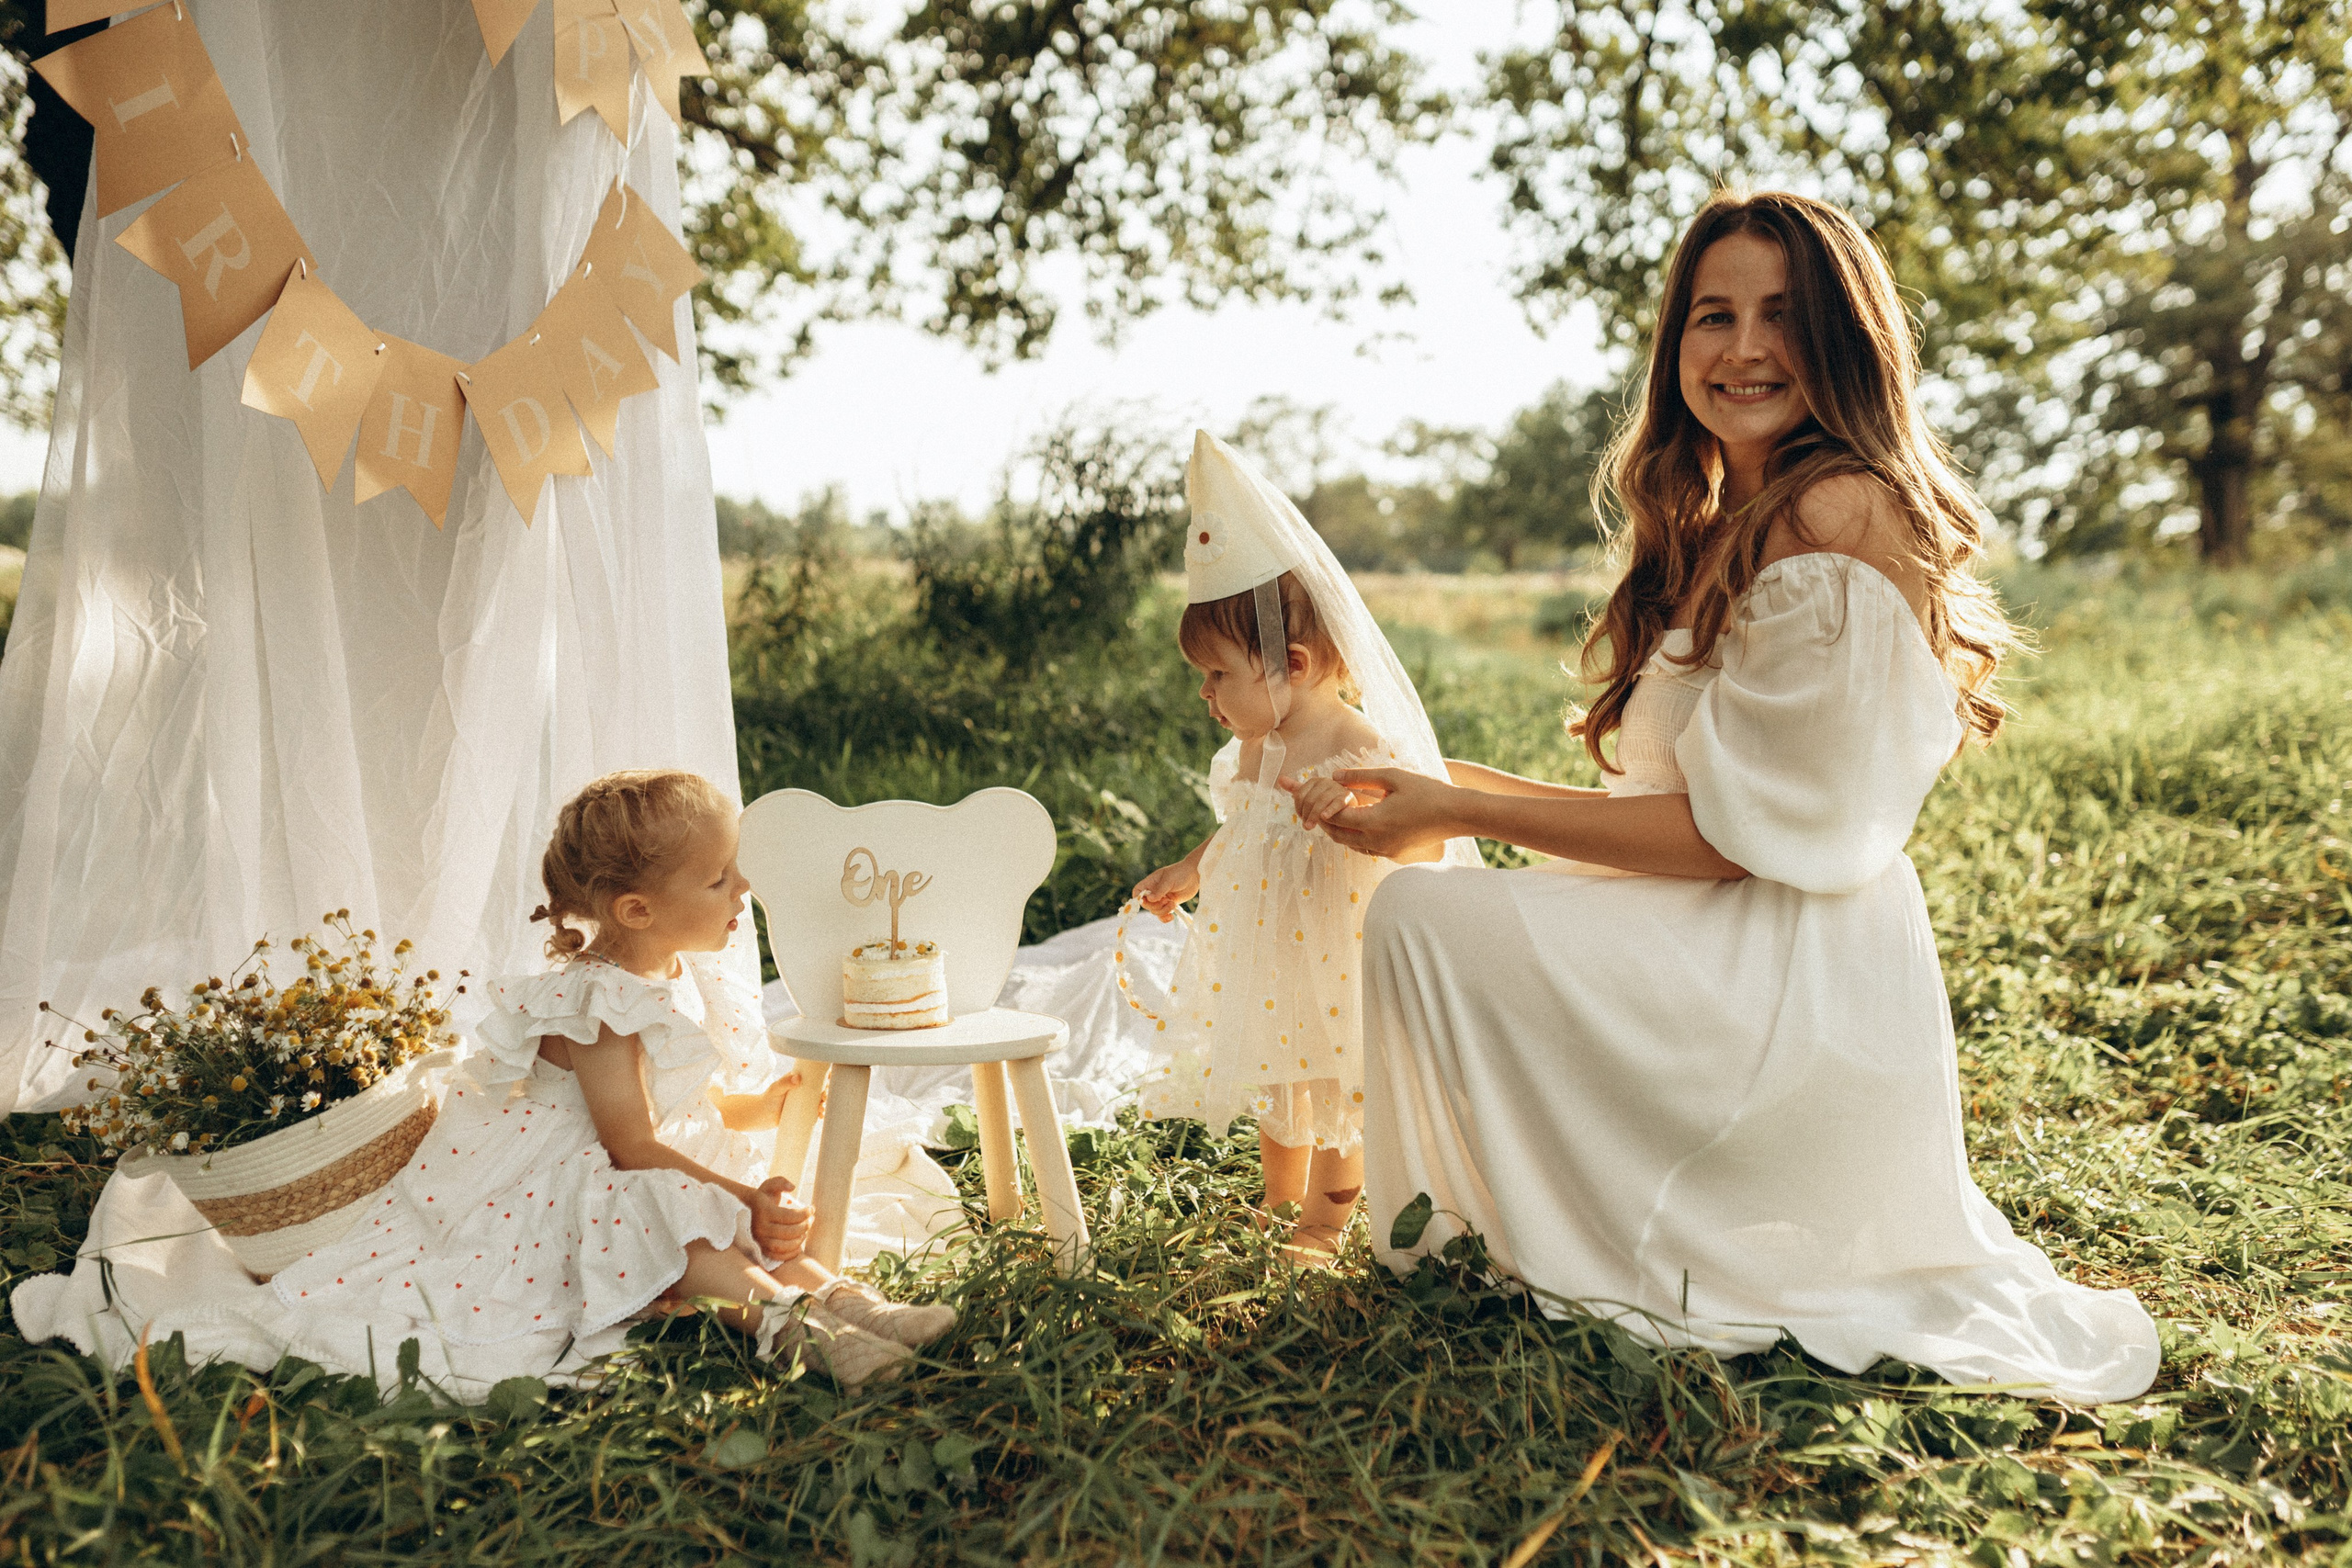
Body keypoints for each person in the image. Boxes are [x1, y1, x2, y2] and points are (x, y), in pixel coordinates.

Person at [1295, 192, 2159, 1402]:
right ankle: (1525, 1231)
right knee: (1439, 900)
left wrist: (1458, 813)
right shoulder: (1728, 518)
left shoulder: (1834, 511)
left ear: (1847, 340)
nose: (1743, 348)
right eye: (1714, 315)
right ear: (1676, 346)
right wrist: (1435, 786)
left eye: (1782, 315)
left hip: (1791, 986)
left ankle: (1510, 1247)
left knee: (1424, 917)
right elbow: (1689, 798)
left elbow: (1728, 841)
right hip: (1754, 939)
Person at [266, 770, 956, 1390]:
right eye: (718, 878)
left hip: (640, 1156)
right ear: (636, 910)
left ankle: (853, 1306)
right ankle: (798, 1332)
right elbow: (628, 1142)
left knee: (737, 1226)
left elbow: (685, 1101)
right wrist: (744, 1195)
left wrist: (761, 1108)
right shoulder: (596, 1002)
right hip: (579, 1172)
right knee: (683, 1221)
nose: (742, 887)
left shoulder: (669, 973)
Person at [1121, 433, 1479, 1260]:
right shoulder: (1255, 744)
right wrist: (1190, 868)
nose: (1207, 696)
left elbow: (1414, 836)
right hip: (1266, 951)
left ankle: (1326, 1215)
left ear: (1294, 662)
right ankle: (1279, 1203)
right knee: (1276, 1077)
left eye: (1218, 676)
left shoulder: (1356, 742)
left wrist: (1343, 800)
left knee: (1332, 1083)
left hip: (1331, 952)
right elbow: (1242, 827)